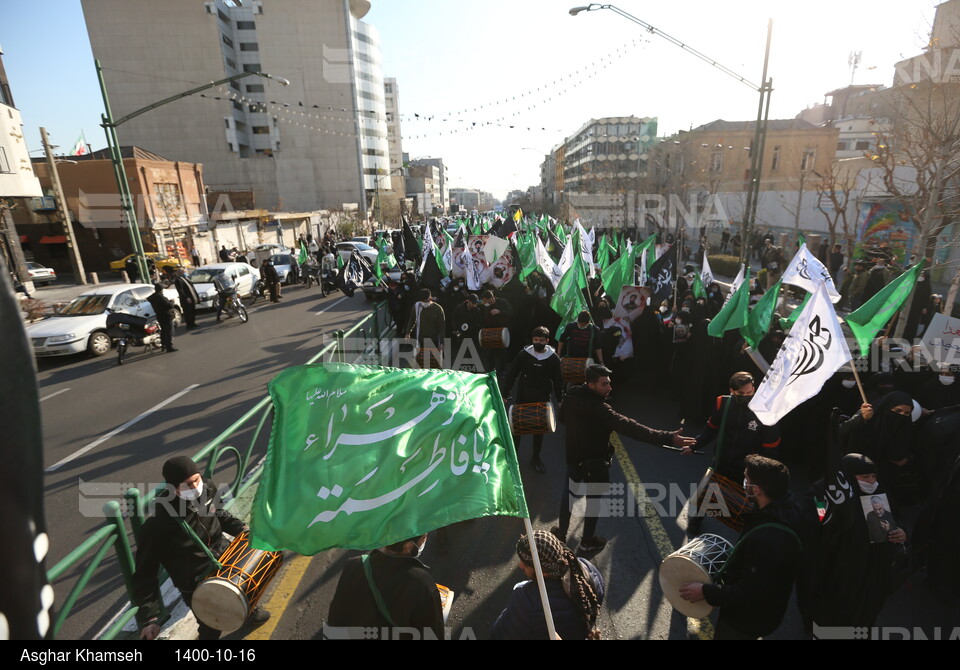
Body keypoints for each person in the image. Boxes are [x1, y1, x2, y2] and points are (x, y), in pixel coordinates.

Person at [555, 365, 695, 551]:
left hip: (573, 458)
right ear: (590, 385)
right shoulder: (601, 410)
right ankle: (587, 542)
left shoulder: (571, 395)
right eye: (604, 385)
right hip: (596, 464)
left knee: (568, 497)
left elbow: (562, 418)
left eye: (609, 384)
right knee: (594, 503)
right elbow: (633, 429)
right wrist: (669, 437)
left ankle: (560, 535)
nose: (609, 388)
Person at [133, 456, 270, 640]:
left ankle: (249, 612)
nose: (196, 487)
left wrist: (242, 529)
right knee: (212, 626)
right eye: (188, 484)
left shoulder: (207, 488)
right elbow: (144, 574)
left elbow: (221, 515)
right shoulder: (157, 525)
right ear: (173, 488)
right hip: (195, 580)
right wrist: (150, 618)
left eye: (197, 480)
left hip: (226, 559)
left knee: (245, 591)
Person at [679, 455, 806, 640]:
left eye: (746, 479)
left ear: (756, 489)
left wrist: (706, 592)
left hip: (744, 621)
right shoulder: (789, 509)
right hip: (770, 612)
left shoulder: (766, 541)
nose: (743, 482)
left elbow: (748, 592)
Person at [811, 454, 907, 630]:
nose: (871, 481)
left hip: (872, 573)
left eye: (874, 476)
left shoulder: (879, 493)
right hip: (839, 573)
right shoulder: (823, 494)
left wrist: (900, 532)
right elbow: (816, 523)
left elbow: (896, 518)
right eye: (865, 477)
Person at [325, 534, 444, 640]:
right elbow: (433, 634)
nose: (425, 540)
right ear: (408, 546)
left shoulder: (354, 566)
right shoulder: (423, 584)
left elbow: (336, 620)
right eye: (423, 537)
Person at [490, 530, 605, 640]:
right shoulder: (590, 572)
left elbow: (500, 634)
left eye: (526, 564)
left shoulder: (527, 601)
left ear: (543, 571)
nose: (520, 565)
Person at [684, 372, 781, 480]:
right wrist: (694, 446)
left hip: (747, 472)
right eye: (741, 393)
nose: (745, 396)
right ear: (732, 391)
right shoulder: (722, 403)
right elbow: (710, 429)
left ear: (754, 389)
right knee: (710, 496)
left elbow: (770, 447)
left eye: (749, 392)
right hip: (720, 465)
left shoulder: (765, 411)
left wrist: (761, 473)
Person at [501, 326, 565, 473]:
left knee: (539, 429)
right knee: (517, 427)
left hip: (542, 396)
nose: (537, 343)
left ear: (547, 341)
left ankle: (535, 457)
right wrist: (505, 394)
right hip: (524, 394)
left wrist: (560, 399)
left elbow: (558, 380)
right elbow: (512, 374)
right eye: (535, 340)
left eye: (541, 340)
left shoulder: (553, 358)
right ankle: (514, 456)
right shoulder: (524, 354)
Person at [406, 289, 446, 368]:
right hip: (420, 340)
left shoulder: (438, 309)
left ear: (430, 298)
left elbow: (442, 327)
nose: (424, 303)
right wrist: (408, 333)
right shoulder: (417, 306)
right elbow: (412, 320)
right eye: (423, 301)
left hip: (434, 341)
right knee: (420, 364)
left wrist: (442, 342)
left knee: (434, 365)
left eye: (426, 301)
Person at [146, 283, 178, 353]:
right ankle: (169, 346)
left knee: (163, 332)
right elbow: (169, 305)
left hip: (160, 316)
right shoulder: (161, 297)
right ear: (161, 289)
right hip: (167, 316)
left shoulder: (153, 298)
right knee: (169, 332)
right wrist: (172, 302)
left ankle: (163, 345)